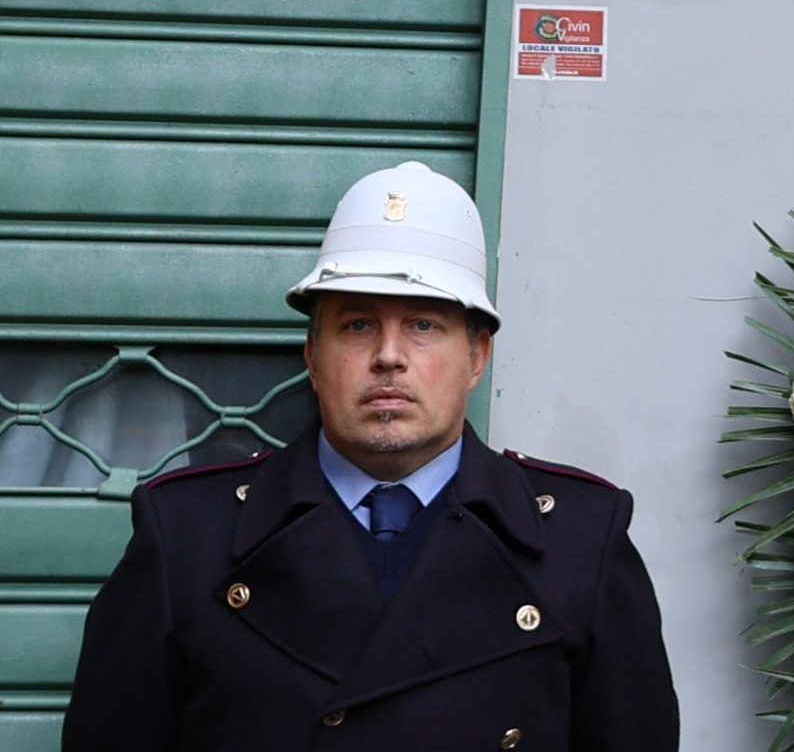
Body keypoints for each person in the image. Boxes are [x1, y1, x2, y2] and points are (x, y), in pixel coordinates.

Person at [62, 160, 678, 751]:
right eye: (357, 325)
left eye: (424, 325)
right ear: (312, 354)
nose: (389, 356)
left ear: (477, 356)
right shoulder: (186, 536)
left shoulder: (581, 539)